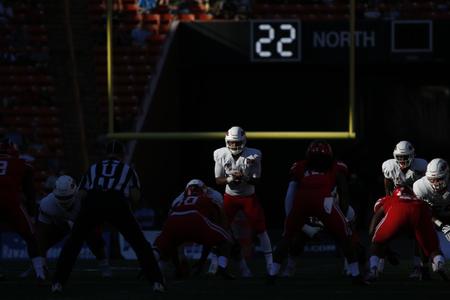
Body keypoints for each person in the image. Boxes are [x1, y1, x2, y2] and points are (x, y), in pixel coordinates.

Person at [51, 140, 164, 293]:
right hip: (116, 201)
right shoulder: (128, 169)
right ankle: (156, 282)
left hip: (93, 200)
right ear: (122, 155)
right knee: (140, 244)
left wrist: (86, 215)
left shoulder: (93, 168)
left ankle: (58, 283)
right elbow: (135, 197)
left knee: (73, 243)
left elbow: (81, 194)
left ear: (106, 154)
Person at [268, 140, 367, 285]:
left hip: (309, 204)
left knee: (287, 237)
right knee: (300, 242)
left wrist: (291, 218)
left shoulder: (302, 167)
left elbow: (290, 195)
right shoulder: (334, 168)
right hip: (323, 206)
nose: (318, 162)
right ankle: (355, 274)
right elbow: (345, 193)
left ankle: (272, 274)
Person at [20, 175, 112, 279]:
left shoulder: (85, 201)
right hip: (60, 224)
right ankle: (39, 266)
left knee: (94, 238)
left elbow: (96, 223)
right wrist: (40, 259)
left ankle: (104, 264)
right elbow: (41, 234)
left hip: (82, 223)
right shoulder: (47, 204)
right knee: (38, 241)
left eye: (67, 197)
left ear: (75, 192)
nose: (64, 201)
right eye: (60, 197)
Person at [213, 126, 273, 277]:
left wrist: (245, 178)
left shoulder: (254, 155)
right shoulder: (220, 154)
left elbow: (257, 180)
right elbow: (218, 180)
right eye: (231, 143)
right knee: (221, 230)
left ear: (244, 141)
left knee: (261, 230)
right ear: (227, 142)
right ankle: (216, 264)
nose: (234, 146)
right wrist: (230, 178)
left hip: (248, 197)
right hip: (229, 197)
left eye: (237, 142)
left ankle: (270, 264)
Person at [153, 179, 235, 279]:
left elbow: (170, 221)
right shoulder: (208, 198)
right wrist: (202, 260)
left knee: (164, 246)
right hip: (195, 219)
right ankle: (221, 267)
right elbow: (216, 224)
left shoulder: (179, 200)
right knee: (226, 239)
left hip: (175, 219)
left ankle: (153, 266)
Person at [368, 185, 447, 281]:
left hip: (397, 212)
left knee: (377, 242)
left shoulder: (389, 199)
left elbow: (377, 216)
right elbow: (429, 217)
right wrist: (441, 225)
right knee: (431, 247)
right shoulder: (419, 201)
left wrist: (375, 237)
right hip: (418, 211)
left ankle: (374, 268)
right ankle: (438, 262)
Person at [0, 138, 47, 282]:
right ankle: (40, 272)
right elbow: (30, 194)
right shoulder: (22, 164)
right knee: (31, 236)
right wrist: (32, 214)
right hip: (11, 202)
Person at [379, 140, 428, 278]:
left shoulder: (422, 166)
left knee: (420, 232)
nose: (402, 159)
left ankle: (420, 267)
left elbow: (425, 189)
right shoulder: (389, 167)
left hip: (416, 202)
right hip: (396, 203)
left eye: (405, 156)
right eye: (399, 157)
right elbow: (387, 192)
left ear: (412, 155)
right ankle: (379, 264)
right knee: (380, 227)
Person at [171, 179, 224, 275]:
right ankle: (181, 263)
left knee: (217, 237)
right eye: (191, 189)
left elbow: (219, 217)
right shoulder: (179, 199)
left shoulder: (214, 196)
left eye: (196, 189)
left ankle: (212, 264)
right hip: (190, 221)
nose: (194, 192)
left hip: (203, 219)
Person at [413, 158, 450, 260]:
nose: (435, 183)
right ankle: (422, 268)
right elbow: (424, 212)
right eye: (432, 179)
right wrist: (441, 225)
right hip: (433, 218)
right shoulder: (420, 186)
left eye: (439, 179)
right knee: (420, 228)